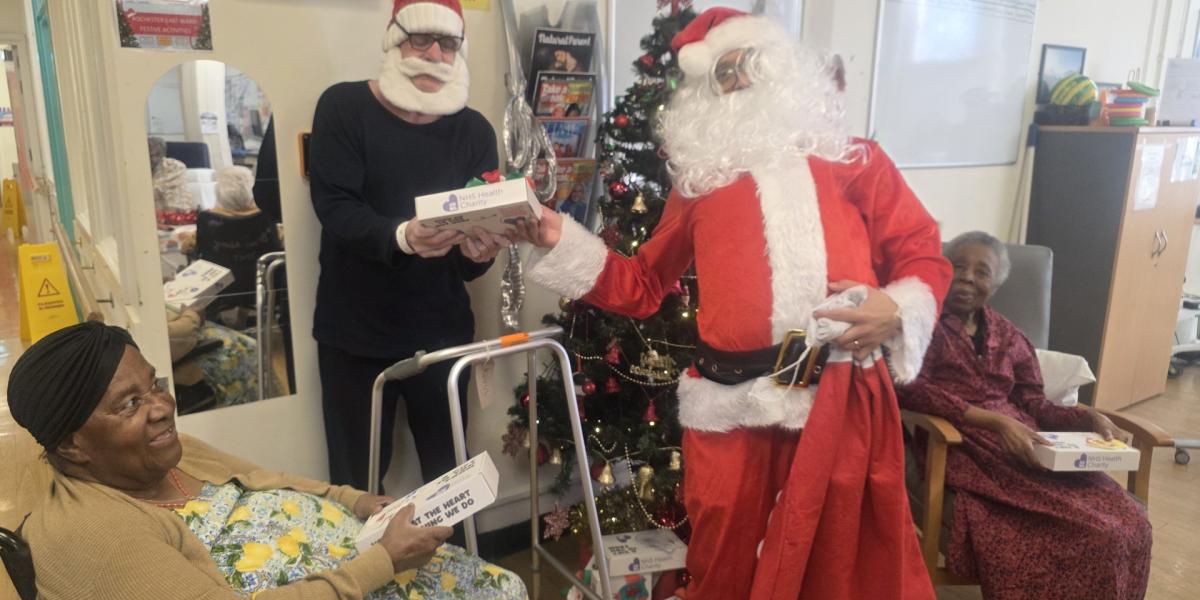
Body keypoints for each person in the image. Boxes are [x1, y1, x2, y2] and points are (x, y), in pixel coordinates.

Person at [513, 8, 949, 600]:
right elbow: (640, 284)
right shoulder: (698, 184)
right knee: (725, 564)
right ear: (702, 92)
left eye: (749, 62)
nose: (738, 80)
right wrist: (556, 237)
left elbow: (922, 252)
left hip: (840, 401)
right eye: (721, 72)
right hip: (728, 411)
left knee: (843, 566)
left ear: (784, 68)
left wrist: (897, 309)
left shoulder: (855, 160)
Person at [5, 322, 526, 599]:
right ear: (71, 445)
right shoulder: (94, 536)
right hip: (365, 575)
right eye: (130, 404)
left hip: (370, 555)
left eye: (155, 386)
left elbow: (267, 480)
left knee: (502, 583)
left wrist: (354, 499)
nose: (163, 408)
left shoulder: (154, 459)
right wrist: (381, 563)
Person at [308, 0, 509, 496]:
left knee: (450, 482)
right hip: (353, 337)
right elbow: (335, 208)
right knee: (356, 484)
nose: (434, 55)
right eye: (421, 39)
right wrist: (404, 237)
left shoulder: (474, 130)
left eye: (448, 43)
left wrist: (479, 255)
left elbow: (465, 259)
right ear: (394, 39)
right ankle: (361, 575)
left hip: (442, 338)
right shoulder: (343, 108)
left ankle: (463, 573)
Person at [897, 231, 1152, 600]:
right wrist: (995, 421)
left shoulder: (1009, 335)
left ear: (995, 284)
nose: (968, 277)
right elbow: (907, 386)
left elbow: (1035, 403)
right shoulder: (921, 324)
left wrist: (1088, 418)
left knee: (1130, 522)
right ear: (942, 270)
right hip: (961, 447)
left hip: (1030, 450)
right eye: (958, 266)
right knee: (1097, 531)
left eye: (982, 271)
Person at [195, 165, 283, 325]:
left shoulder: (207, 220)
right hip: (263, 284)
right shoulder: (266, 216)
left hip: (221, 287)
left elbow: (193, 249)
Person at [148, 136, 195, 226]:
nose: (152, 159)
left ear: (163, 154)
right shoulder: (135, 168)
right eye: (149, 155)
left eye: (156, 155)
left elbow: (176, 205)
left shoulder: (174, 167)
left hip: (173, 220)